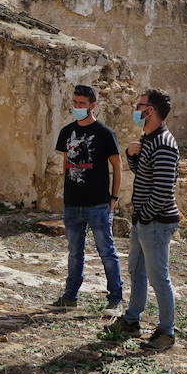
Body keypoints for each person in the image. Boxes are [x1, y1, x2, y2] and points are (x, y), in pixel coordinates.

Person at [107, 88, 180, 351]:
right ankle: (131, 320)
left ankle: (166, 332)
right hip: (144, 220)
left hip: (156, 222)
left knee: (158, 276)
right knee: (137, 271)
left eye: (140, 106)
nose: (136, 110)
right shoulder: (148, 138)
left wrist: (145, 217)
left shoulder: (164, 144)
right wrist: (131, 154)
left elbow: (163, 191)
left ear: (151, 111)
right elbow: (142, 171)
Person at [51, 84, 123, 310]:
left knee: (107, 252)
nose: (77, 107)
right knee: (74, 253)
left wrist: (114, 198)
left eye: (82, 104)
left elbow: (117, 167)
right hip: (73, 203)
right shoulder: (66, 132)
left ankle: (115, 299)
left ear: (93, 106)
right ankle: (70, 296)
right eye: (75, 103)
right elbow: (65, 163)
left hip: (98, 204)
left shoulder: (104, 133)